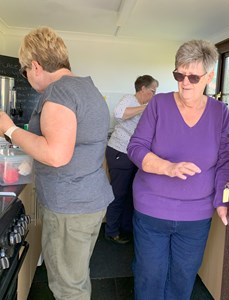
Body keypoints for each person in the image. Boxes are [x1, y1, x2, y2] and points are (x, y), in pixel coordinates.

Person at [0, 27, 114, 300]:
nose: (27, 78)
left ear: (36, 66)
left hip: (70, 207)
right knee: (75, 277)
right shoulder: (86, 86)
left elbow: (56, 154)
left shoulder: (59, 92)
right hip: (89, 200)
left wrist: (10, 129)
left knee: (67, 288)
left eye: (25, 71)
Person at [127, 40, 229, 300]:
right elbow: (136, 148)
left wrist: (222, 200)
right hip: (152, 209)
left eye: (193, 77)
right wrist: (168, 167)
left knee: (183, 275)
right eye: (179, 75)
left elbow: (226, 160)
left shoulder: (221, 113)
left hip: (195, 216)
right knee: (149, 274)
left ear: (209, 77)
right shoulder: (159, 105)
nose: (185, 82)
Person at [105, 75, 159, 244]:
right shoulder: (129, 99)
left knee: (130, 194)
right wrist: (145, 106)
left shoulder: (145, 106)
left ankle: (126, 229)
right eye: (152, 91)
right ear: (143, 89)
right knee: (118, 193)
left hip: (134, 155)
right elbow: (119, 114)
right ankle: (111, 231)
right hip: (120, 152)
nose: (154, 95)